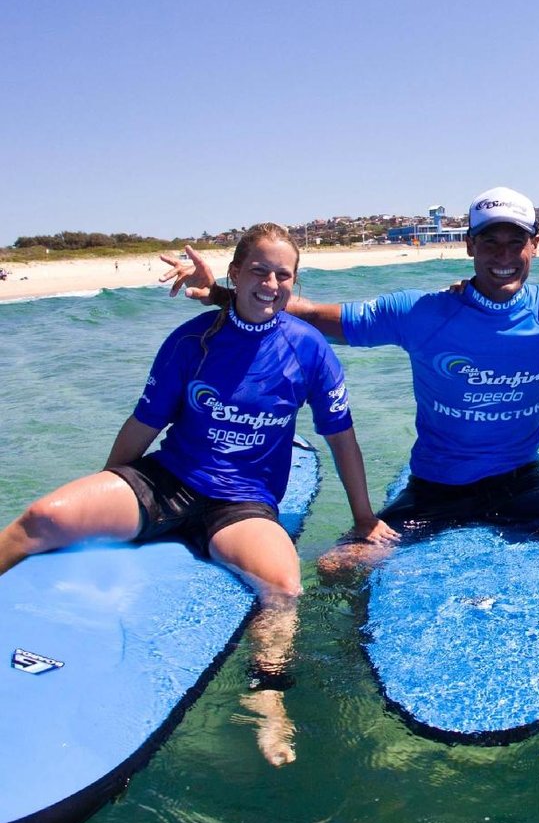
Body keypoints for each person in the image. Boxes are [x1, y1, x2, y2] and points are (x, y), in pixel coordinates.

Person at [164, 189, 539, 581]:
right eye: (489, 241)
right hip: (436, 489)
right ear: (469, 246)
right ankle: (343, 674)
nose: (504, 254)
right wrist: (226, 291)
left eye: (515, 240)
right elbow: (318, 317)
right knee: (339, 568)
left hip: (522, 484)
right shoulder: (425, 311)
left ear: (535, 246)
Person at [0, 223, 394, 764]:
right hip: (167, 481)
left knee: (283, 586)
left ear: (294, 282)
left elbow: (342, 438)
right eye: (259, 270)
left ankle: (268, 695)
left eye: (284, 274)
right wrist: (111, 490)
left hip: (242, 502)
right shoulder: (193, 340)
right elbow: (144, 423)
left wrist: (365, 516)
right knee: (43, 517)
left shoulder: (309, 349)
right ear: (234, 274)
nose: (271, 283)